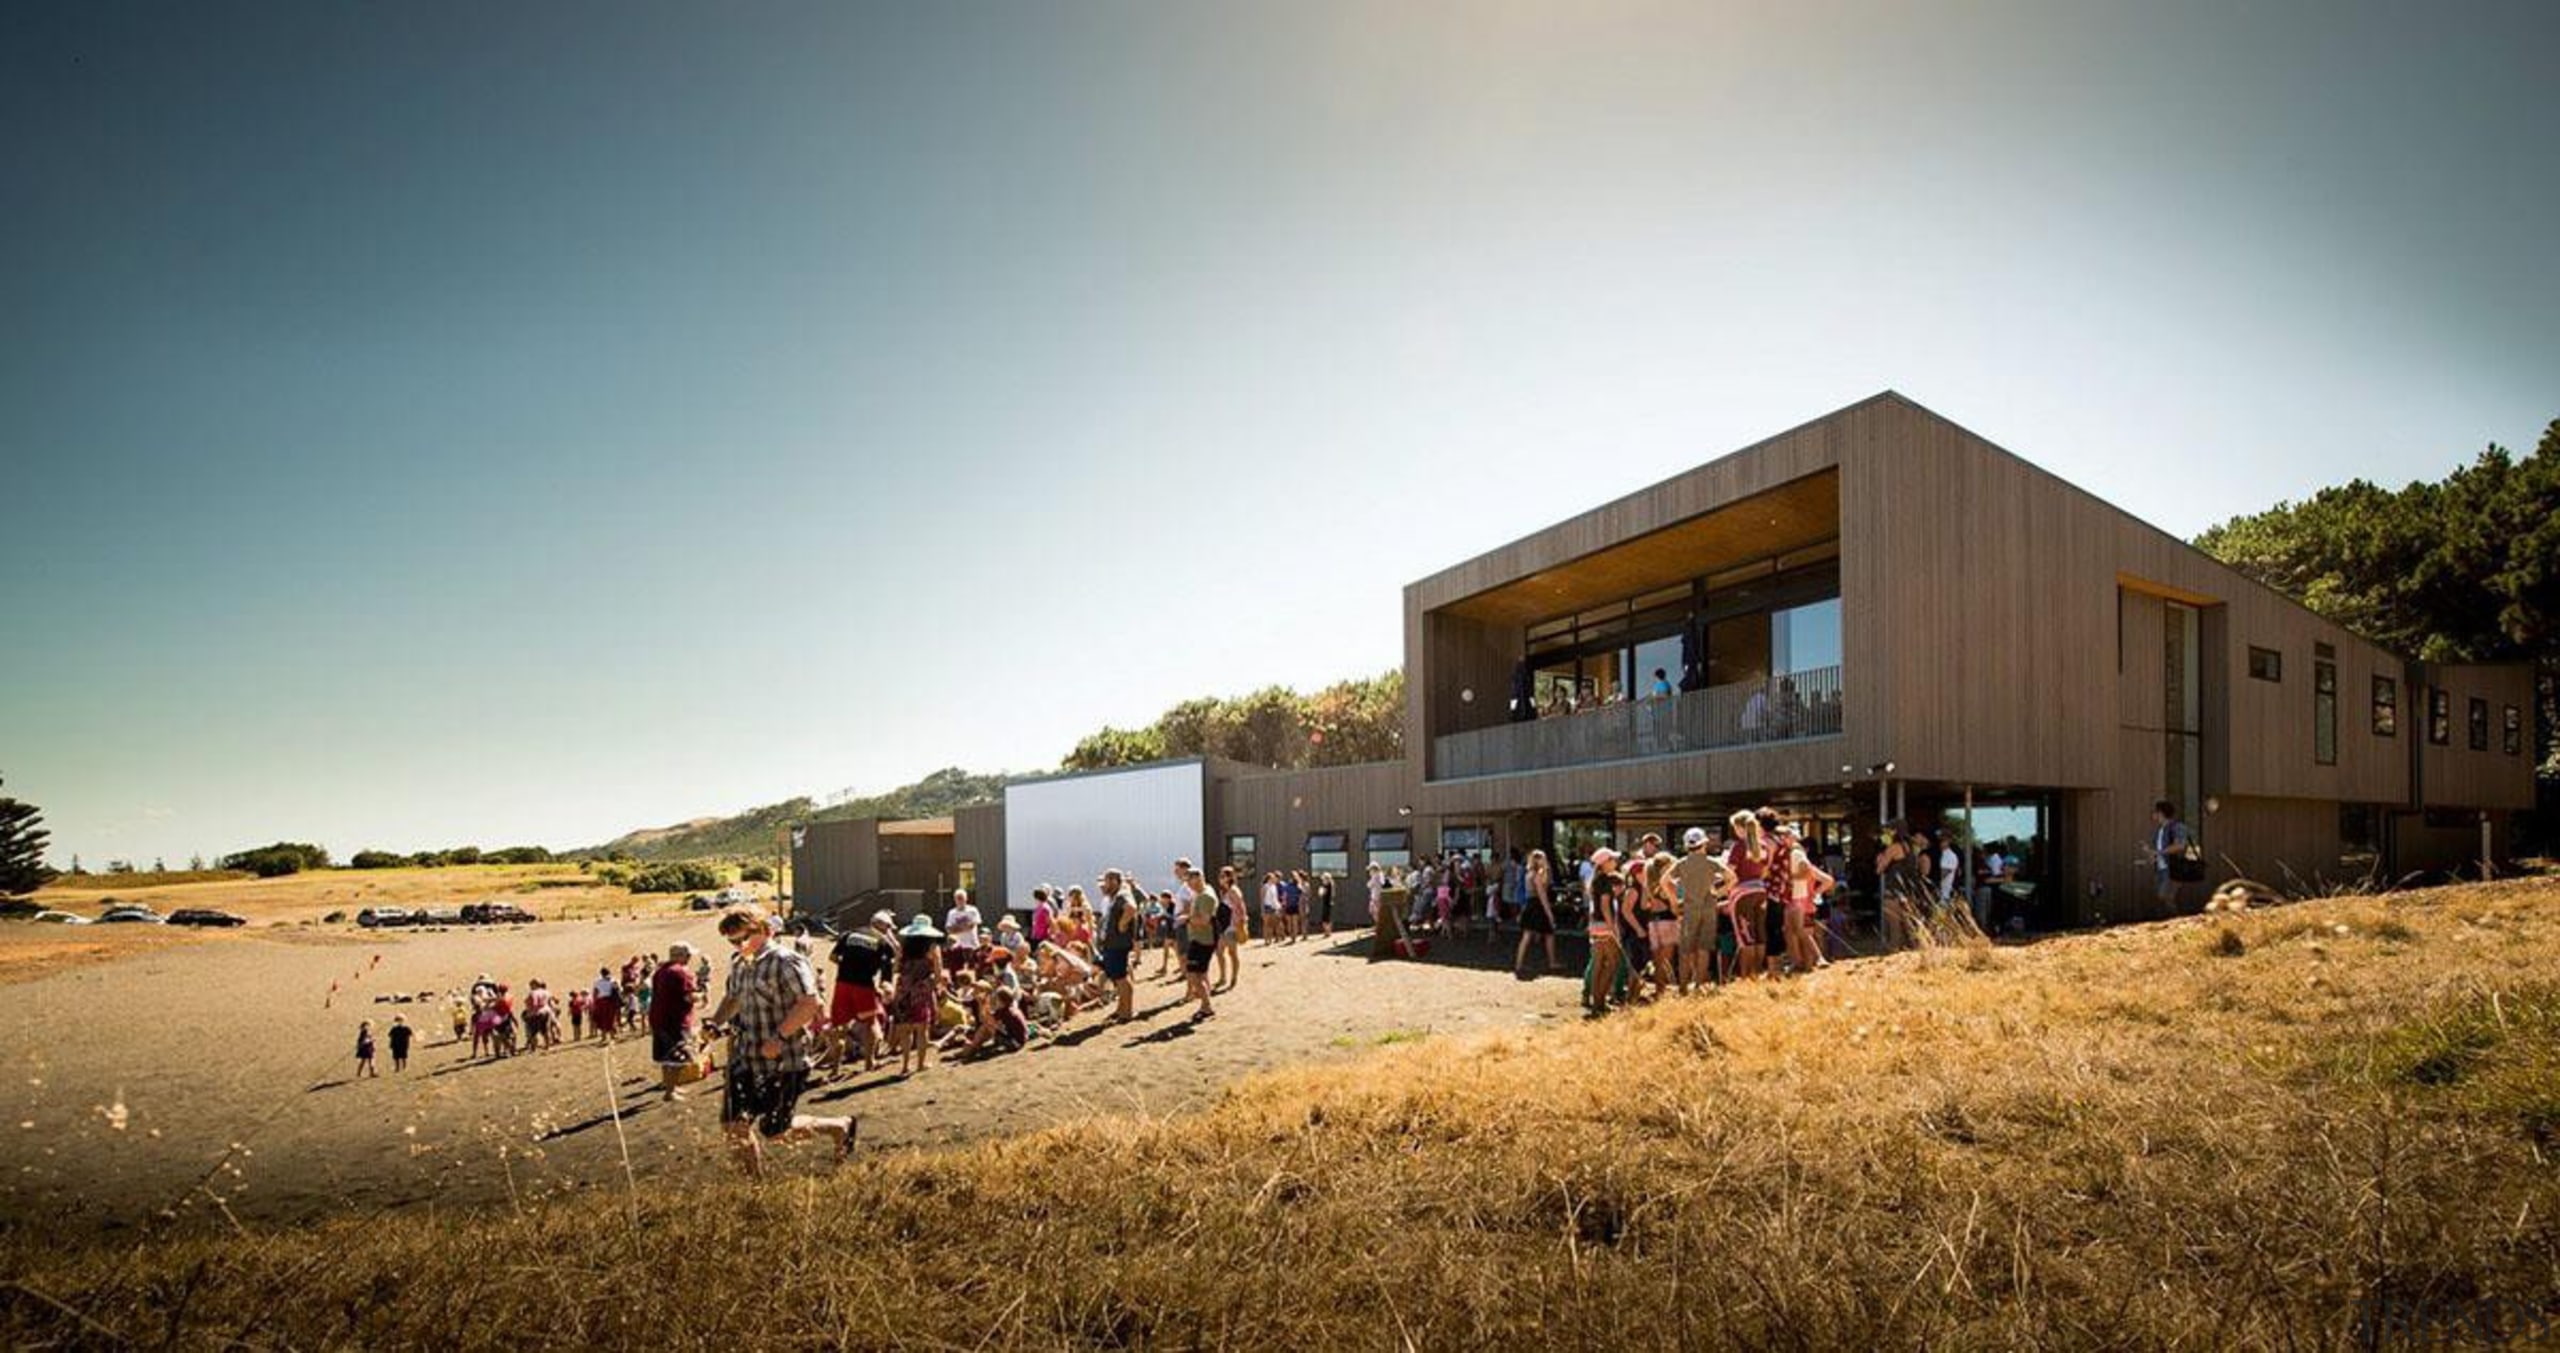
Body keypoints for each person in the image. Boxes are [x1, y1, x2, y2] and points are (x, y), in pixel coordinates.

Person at [704, 905, 854, 1176]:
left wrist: (780, 1036)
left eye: (743, 939)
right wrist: (715, 1023)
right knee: (732, 1126)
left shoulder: (786, 961)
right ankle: (756, 1187)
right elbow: (733, 998)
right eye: (733, 941)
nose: (739, 945)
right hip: (746, 1056)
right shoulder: (739, 962)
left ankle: (838, 1126)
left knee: (776, 1132)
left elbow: (810, 1003)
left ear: (764, 930)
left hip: (785, 1058)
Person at [828, 910, 896, 1074]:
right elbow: (888, 969)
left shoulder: (849, 934)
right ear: (880, 924)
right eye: (887, 927)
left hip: (842, 983)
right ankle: (869, 1062)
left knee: (840, 1025)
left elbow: (832, 957)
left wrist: (847, 967)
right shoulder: (883, 942)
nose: (888, 930)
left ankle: (835, 1068)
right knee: (870, 1022)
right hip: (863, 985)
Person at [1673, 827, 1733, 993]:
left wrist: (1674, 901)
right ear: (1704, 844)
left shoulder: (1681, 863)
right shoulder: (1712, 862)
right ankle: (1699, 985)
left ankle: (1683, 987)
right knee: (1704, 948)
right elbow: (1732, 878)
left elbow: (1664, 881)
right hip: (1708, 908)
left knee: (1685, 949)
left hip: (1689, 908)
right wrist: (1718, 893)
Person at [888, 916, 946, 1077]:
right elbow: (938, 971)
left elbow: (895, 969)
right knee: (922, 1028)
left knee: (904, 1029)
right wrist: (935, 986)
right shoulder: (932, 947)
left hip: (903, 989)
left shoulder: (903, 947)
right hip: (921, 988)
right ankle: (920, 1064)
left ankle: (905, 1065)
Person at [650, 943, 703, 1098]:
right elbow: (688, 997)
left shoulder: (660, 971)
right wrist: (700, 995)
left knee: (666, 1056)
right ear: (680, 956)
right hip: (675, 1020)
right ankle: (670, 1091)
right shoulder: (681, 972)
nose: (689, 958)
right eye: (687, 955)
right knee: (678, 1056)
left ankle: (669, 1086)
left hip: (659, 1018)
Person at [1726, 811, 1770, 979]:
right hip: (1760, 890)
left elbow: (1730, 872)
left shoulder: (1738, 846)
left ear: (1739, 827)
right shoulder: (1763, 846)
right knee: (1759, 932)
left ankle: (1746, 975)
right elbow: (1765, 871)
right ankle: (1757, 972)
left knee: (1745, 935)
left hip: (1742, 892)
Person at [1581, 849, 1624, 1014]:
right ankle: (1600, 1001)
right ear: (1605, 862)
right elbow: (1606, 906)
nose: (1615, 862)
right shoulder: (1605, 881)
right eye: (1612, 859)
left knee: (1598, 964)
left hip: (1596, 925)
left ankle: (1596, 1002)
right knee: (1612, 963)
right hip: (1605, 926)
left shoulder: (1596, 880)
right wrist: (1613, 928)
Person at [1097, 868, 1141, 1022]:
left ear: (1116, 881)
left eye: (1109, 880)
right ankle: (1121, 1009)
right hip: (1112, 944)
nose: (1106, 884)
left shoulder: (1122, 895)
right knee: (1118, 977)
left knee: (1121, 978)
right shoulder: (1115, 896)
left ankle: (1126, 1012)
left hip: (1117, 944)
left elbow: (1131, 908)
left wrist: (1122, 924)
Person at [1514, 848, 1559, 974]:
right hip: (1537, 905)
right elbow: (1542, 896)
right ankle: (1552, 962)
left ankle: (1519, 964)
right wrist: (1550, 914)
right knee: (1549, 933)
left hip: (1529, 904)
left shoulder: (1529, 874)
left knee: (1527, 935)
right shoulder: (1537, 876)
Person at [1181, 869, 1218, 1019]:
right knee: (1201, 974)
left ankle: (1207, 1006)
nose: (1188, 884)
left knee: (1193, 974)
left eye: (1189, 880)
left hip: (1202, 940)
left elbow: (1204, 921)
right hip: (1200, 938)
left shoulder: (1205, 896)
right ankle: (1205, 1005)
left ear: (1197, 879)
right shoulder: (1203, 892)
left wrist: (1187, 919)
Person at [2151, 799, 2194, 911]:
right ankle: (2170, 919)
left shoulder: (2177, 827)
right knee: (2164, 897)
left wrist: (2160, 852)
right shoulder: (2159, 830)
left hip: (2173, 867)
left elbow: (2180, 845)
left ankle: (2175, 918)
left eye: (2155, 812)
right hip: (2160, 868)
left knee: (2165, 895)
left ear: (2160, 813)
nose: (2153, 814)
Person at [1214, 866, 1245, 991]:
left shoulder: (1233, 891)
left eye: (1223, 876)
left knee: (1232, 953)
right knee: (1219, 952)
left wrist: (1241, 924)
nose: (1220, 879)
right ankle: (1223, 977)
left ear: (1229, 877)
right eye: (1220, 876)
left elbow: (1241, 908)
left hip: (1232, 926)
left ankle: (1233, 978)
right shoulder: (1224, 891)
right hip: (1223, 926)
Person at [943, 889, 984, 973]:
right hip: (957, 946)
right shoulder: (951, 913)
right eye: (957, 898)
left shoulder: (972, 910)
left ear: (966, 899)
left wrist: (956, 928)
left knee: (973, 969)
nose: (960, 900)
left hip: (972, 945)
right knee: (958, 970)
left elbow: (971, 926)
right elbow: (949, 929)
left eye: (961, 898)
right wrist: (963, 927)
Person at [590, 967, 621, 1041]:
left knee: (602, 1019)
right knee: (612, 1018)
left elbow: (595, 993)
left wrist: (595, 1003)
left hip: (601, 1001)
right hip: (610, 1001)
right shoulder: (613, 981)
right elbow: (618, 990)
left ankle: (604, 1037)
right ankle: (613, 1035)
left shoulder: (597, 982)